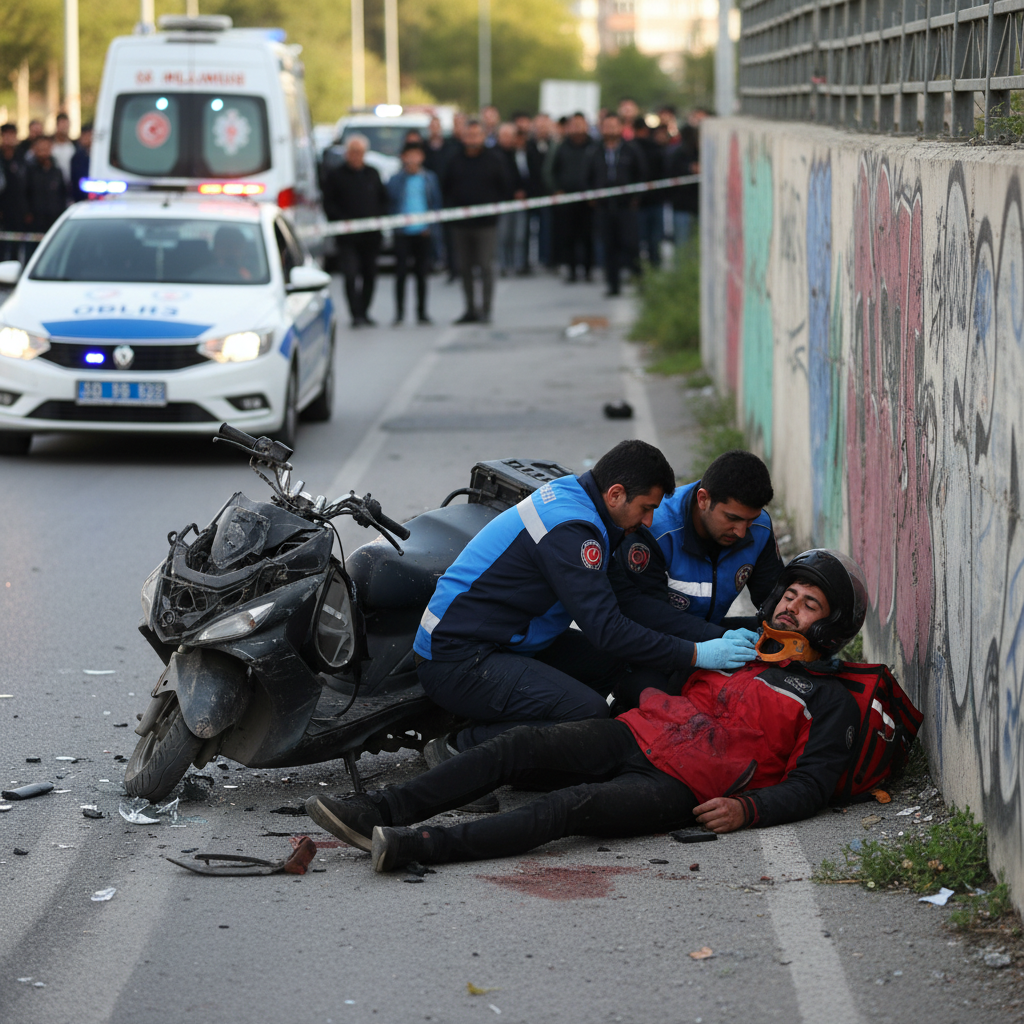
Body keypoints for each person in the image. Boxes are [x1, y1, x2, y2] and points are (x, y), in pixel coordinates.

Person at [305, 548, 868, 872]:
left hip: (685, 788)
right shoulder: (739, 648)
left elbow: (813, 786)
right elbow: (657, 654)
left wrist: (748, 810)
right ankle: (376, 808)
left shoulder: (828, 699)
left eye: (809, 604)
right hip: (637, 734)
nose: (791, 608)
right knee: (519, 744)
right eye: (789, 596)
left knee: (570, 809)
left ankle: (418, 846)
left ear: (832, 627)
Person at [408, 439, 756, 763]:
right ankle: (460, 750)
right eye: (646, 508)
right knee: (586, 712)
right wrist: (698, 654)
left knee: (612, 662)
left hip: (503, 640)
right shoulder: (572, 529)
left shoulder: (586, 504)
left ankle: (512, 724)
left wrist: (710, 634)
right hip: (459, 659)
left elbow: (631, 604)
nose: (649, 521)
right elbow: (608, 629)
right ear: (616, 493)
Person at [611, 449, 785, 654]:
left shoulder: (760, 526)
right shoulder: (651, 529)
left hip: (710, 631)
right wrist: (716, 638)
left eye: (750, 520)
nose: (741, 532)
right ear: (703, 499)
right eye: (732, 518)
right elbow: (649, 616)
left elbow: (773, 600)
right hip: (653, 643)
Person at [442, 119, 510, 324]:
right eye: (468, 135)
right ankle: (470, 309)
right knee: (465, 268)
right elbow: (445, 186)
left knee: (485, 266)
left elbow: (505, 186)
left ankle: (486, 309)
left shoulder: (494, 160)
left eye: (476, 135)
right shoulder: (454, 160)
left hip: (486, 224)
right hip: (461, 224)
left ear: (483, 136)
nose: (472, 139)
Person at [321, 134, 388, 327]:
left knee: (369, 274)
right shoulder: (336, 175)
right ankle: (355, 313)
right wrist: (342, 222)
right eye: (352, 152)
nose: (356, 156)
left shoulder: (372, 174)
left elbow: (383, 200)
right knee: (350, 274)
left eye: (359, 152)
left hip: (371, 236)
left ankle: (365, 311)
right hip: (347, 237)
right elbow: (329, 204)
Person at [587, 113, 646, 296]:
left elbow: (642, 174)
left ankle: (640, 282)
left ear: (621, 128)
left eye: (614, 126)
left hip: (626, 206)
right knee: (609, 246)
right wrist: (593, 196)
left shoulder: (631, 150)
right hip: (604, 208)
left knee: (631, 245)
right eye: (607, 126)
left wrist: (636, 196)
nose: (610, 130)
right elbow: (587, 176)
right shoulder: (594, 151)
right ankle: (613, 285)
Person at [387, 142, 441, 325]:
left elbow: (435, 203)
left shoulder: (429, 178)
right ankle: (399, 312)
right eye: (408, 155)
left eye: (416, 155)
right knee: (401, 273)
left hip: (423, 231)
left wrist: (431, 226)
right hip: (403, 232)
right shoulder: (395, 179)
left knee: (421, 273)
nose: (412, 159)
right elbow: (390, 202)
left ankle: (422, 312)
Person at [546, 112, 596, 283]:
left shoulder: (594, 146)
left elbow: (599, 172)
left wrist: (594, 192)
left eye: (580, 124)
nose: (577, 128)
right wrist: (556, 189)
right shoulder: (562, 146)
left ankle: (588, 270)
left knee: (587, 236)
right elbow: (550, 171)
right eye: (574, 124)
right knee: (569, 237)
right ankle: (572, 271)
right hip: (567, 199)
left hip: (588, 201)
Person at [495, 123, 530, 276]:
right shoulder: (494, 155)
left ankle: (519, 264)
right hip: (502, 201)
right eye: (504, 136)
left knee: (519, 236)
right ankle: (503, 265)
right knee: (503, 236)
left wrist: (524, 191)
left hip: (520, 201)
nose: (508, 139)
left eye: (510, 136)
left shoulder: (520, 154)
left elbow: (528, 176)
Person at [632, 116, 666, 268]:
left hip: (639, 201)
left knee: (640, 239)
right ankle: (654, 267)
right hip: (654, 200)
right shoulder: (655, 148)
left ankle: (639, 268)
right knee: (654, 238)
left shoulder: (630, 148)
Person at [25, 136, 66, 246]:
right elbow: (25, 193)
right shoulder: (29, 171)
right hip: (35, 220)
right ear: (34, 149)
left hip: (54, 218)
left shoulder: (57, 171)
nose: (43, 152)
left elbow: (63, 194)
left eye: (46, 148)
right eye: (40, 148)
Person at [668, 122, 700, 249]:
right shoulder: (679, 154)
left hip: (696, 205)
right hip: (682, 206)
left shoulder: (700, 152)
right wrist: (689, 169)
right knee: (683, 243)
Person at [0, 124, 29, 262]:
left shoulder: (21, 157)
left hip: (18, 210)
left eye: (12, 134)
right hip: (2, 209)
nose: (9, 138)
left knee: (16, 247)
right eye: (6, 134)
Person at [68, 122, 92, 203]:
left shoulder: (100, 156)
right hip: (81, 199)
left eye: (89, 135)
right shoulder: (76, 158)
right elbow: (74, 181)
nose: (87, 138)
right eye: (84, 135)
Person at [50, 114, 76, 185]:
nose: (65, 128)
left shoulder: (74, 146)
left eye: (66, 125)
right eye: (62, 125)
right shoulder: (50, 146)